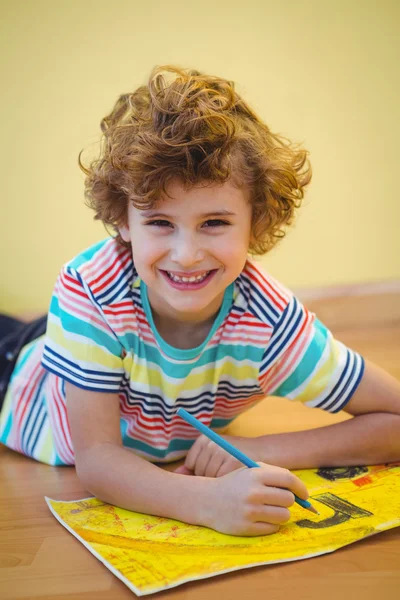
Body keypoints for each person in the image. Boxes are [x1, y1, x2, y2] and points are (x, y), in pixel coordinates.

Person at [1, 65, 400, 537]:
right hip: (17, 373)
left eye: (214, 222)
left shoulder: (269, 323)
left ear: (256, 220)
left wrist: (263, 452)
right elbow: (97, 459)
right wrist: (209, 502)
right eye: (160, 223)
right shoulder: (89, 288)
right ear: (123, 221)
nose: (186, 255)